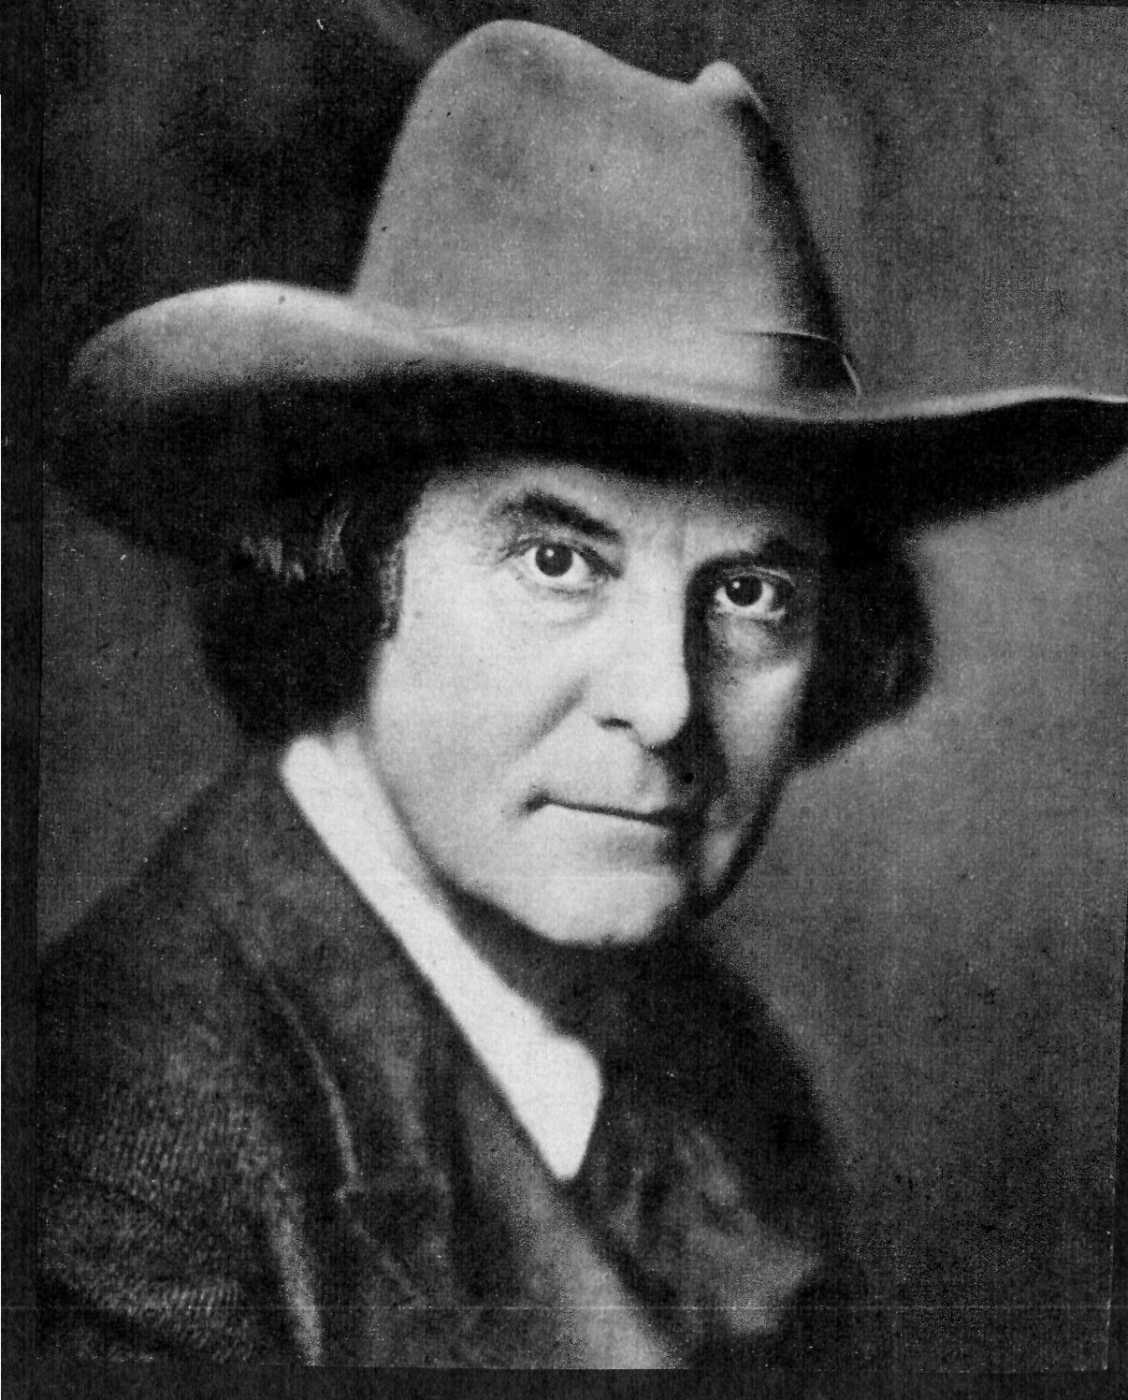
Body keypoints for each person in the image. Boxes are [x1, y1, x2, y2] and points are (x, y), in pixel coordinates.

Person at [38, 20, 1126, 1370]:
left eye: (750, 592)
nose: (666, 706)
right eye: (558, 561)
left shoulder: (722, 1067)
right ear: (351, 566)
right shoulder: (124, 1164)